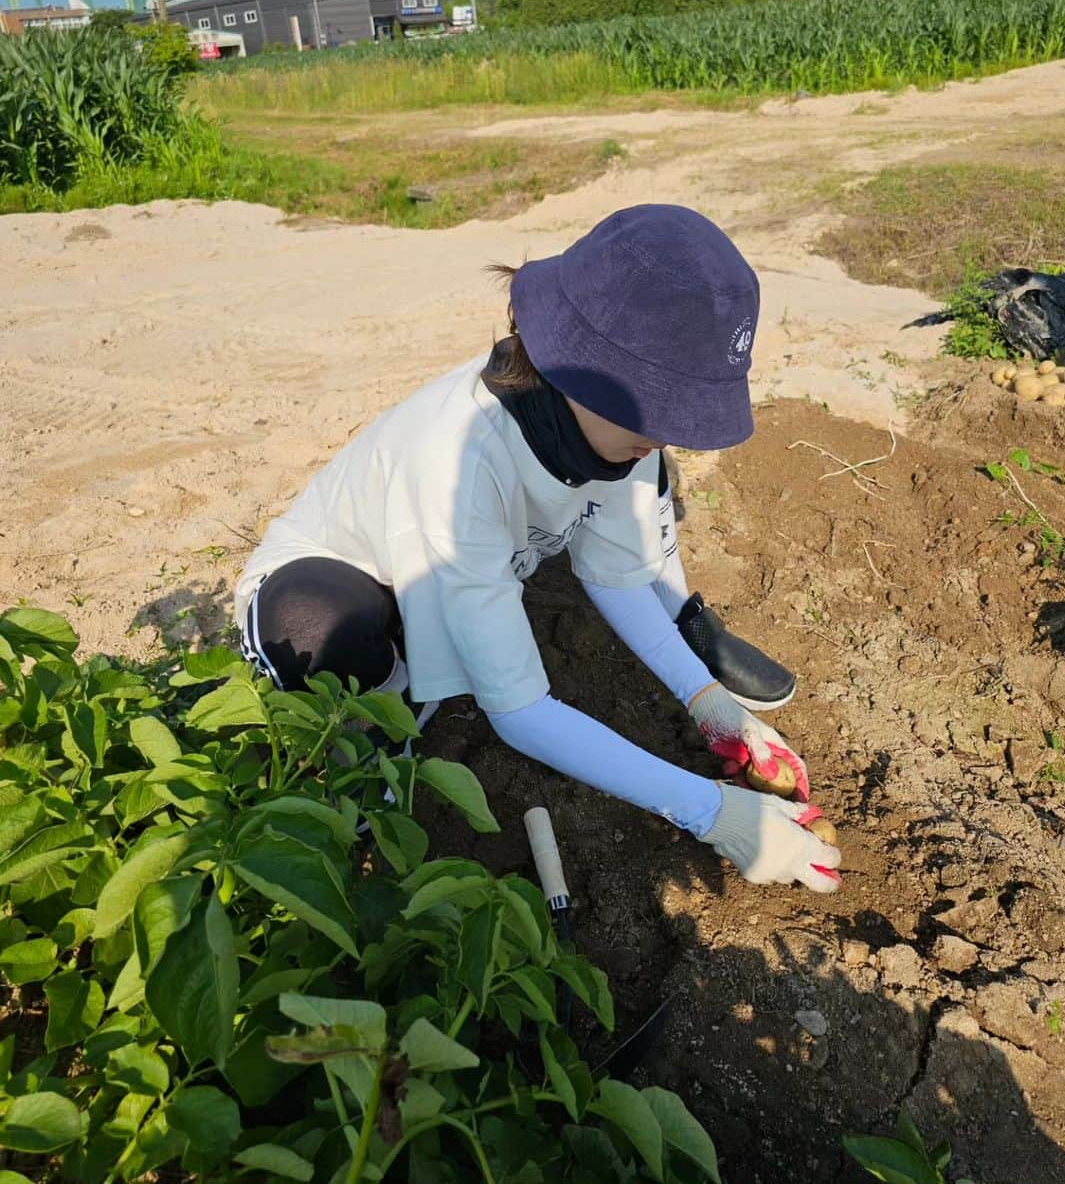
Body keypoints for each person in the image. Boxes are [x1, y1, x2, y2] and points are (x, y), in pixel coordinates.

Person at [234, 205, 841, 892]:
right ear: (584, 366)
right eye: (660, 410)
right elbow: (519, 714)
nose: (666, 435)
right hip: (346, 586)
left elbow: (615, 577)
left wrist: (708, 703)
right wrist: (714, 814)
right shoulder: (456, 459)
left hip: (453, 578)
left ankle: (427, 679)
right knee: (317, 622)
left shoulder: (615, 427)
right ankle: (370, 738)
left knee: (475, 636)